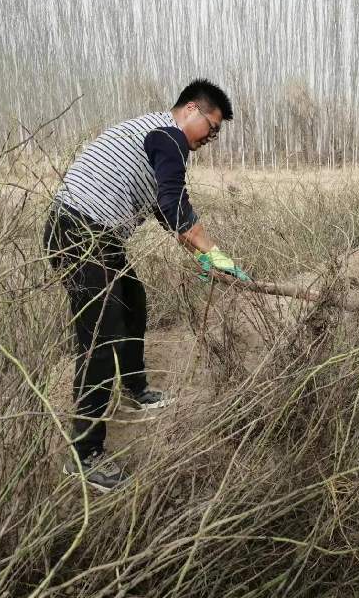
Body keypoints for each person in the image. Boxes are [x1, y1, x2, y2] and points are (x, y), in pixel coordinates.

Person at [44, 79, 249, 492]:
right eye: (211, 126)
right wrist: (215, 254)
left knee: (132, 301)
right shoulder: (168, 136)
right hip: (81, 232)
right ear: (191, 109)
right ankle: (84, 455)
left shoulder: (153, 137)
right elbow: (175, 206)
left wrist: (203, 254)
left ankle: (135, 387)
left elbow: (164, 209)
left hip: (91, 233)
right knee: (102, 336)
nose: (211, 137)